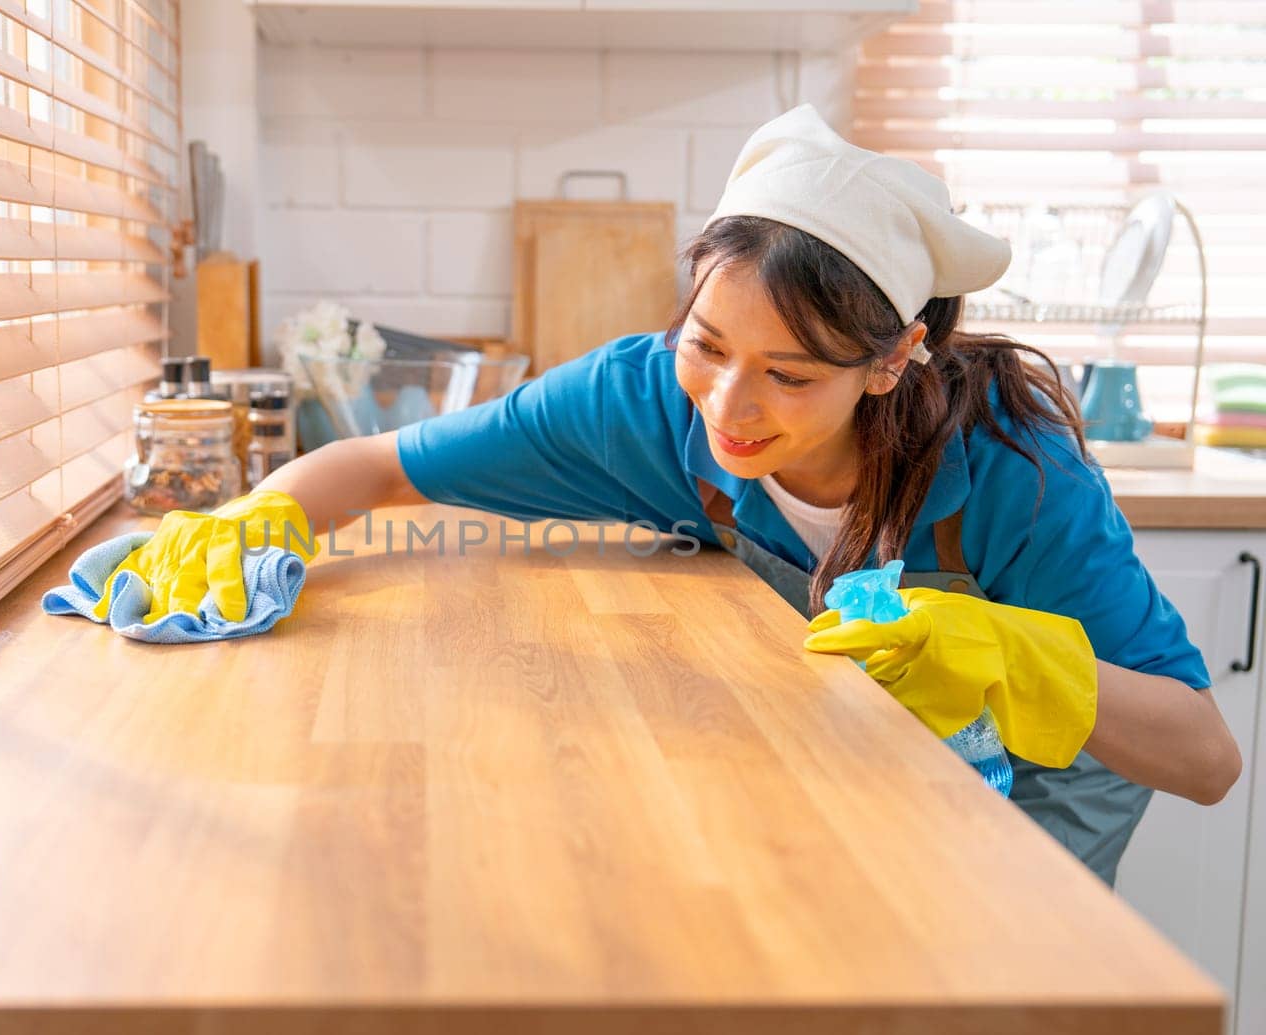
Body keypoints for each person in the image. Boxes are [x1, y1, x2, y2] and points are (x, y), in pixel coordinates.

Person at [126, 105, 1241, 886]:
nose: (728, 406)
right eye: (705, 343)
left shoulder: (1013, 470)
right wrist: (256, 513)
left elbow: (1203, 754)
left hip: (1051, 788)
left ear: (893, 357)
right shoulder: (638, 401)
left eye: (791, 375)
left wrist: (1012, 654)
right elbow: (372, 466)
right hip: (866, 773)